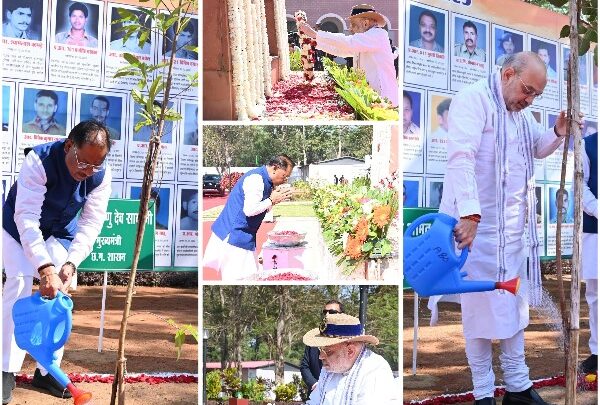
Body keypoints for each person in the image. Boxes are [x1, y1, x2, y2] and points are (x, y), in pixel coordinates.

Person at [436, 51, 578, 405]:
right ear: (508, 74)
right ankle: (483, 392)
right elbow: (461, 158)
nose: (528, 100)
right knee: (480, 312)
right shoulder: (473, 101)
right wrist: (469, 214)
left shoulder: (520, 114)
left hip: (513, 233)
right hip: (476, 232)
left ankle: (518, 386)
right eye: (527, 91)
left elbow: (537, 147)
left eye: (535, 96)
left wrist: (558, 131)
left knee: (515, 309)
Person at [2, 120, 112, 404]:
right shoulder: (39, 160)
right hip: (17, 230)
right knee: (19, 285)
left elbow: (91, 223)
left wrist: (70, 264)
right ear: (68, 146)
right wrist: (44, 266)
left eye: (94, 165)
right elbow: (26, 218)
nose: (86, 171)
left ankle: (47, 371)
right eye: (82, 161)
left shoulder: (100, 175)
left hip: (59, 234)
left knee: (59, 295)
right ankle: (5, 370)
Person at [203, 155, 294, 280]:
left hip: (242, 235)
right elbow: (250, 210)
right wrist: (271, 200)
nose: (285, 180)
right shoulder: (256, 179)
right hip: (234, 236)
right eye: (284, 176)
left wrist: (272, 200)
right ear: (275, 168)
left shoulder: (264, 180)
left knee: (246, 275)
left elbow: (260, 206)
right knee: (238, 277)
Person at [297, 4, 398, 107]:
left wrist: (316, 34)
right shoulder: (363, 40)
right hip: (370, 98)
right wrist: (316, 43)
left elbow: (348, 42)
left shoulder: (378, 34)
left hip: (384, 99)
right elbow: (342, 50)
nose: (350, 29)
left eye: (353, 24)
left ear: (366, 23)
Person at [302, 312, 396, 404]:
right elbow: (314, 401)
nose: (320, 356)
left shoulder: (375, 370)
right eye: (320, 349)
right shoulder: (328, 369)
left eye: (328, 351)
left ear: (350, 351)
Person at [579, 131, 598, 374]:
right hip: (596, 229)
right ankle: (598, 351)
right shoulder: (589, 145)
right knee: (596, 295)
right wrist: (597, 209)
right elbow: (579, 184)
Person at [300, 300, 344, 392]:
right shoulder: (313, 339)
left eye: (332, 312)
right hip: (315, 395)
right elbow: (304, 366)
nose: (327, 315)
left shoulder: (347, 339)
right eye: (325, 312)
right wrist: (314, 384)